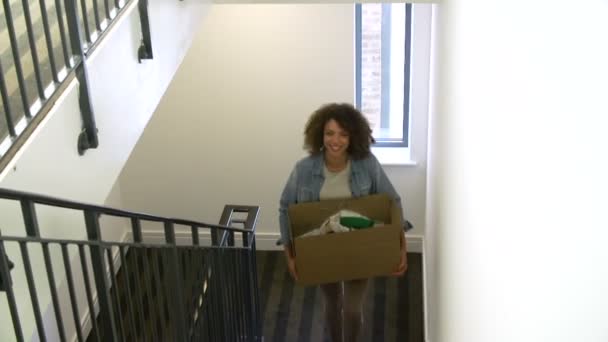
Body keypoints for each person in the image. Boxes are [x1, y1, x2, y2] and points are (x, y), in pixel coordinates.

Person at [278, 103, 408, 342]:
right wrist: (290, 256)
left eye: (343, 134)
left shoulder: (367, 164)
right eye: (330, 133)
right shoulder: (304, 169)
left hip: (360, 246)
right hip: (321, 248)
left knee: (351, 310)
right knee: (331, 304)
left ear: (353, 137)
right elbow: (286, 208)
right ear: (320, 134)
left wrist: (401, 248)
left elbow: (393, 202)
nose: (335, 140)